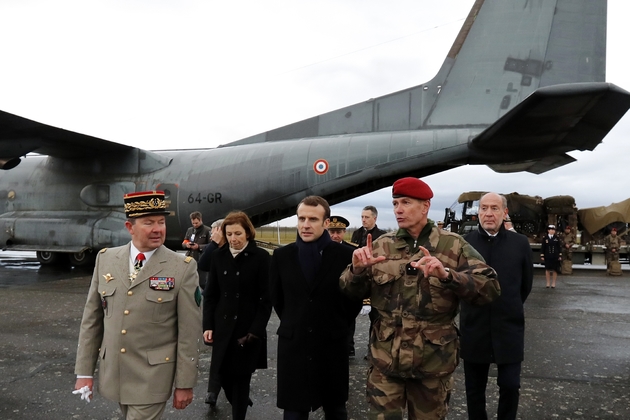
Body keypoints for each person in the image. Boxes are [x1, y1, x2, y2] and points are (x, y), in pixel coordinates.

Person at [340, 177, 500, 419]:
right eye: (395, 203)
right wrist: (357, 271)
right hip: (386, 361)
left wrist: (448, 276)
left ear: (425, 206)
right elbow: (348, 292)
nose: (398, 209)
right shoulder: (382, 246)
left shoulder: (453, 245)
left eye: (406, 202)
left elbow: (490, 288)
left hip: (432, 364)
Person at [74, 190, 201, 419]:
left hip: (152, 377)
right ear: (130, 227)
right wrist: (84, 371)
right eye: (148, 222)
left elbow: (189, 333)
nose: (157, 228)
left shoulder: (182, 268)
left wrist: (185, 383)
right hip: (116, 375)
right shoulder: (106, 259)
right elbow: (92, 320)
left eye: (161, 222)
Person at [270, 196, 362, 419]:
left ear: (326, 223)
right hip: (294, 347)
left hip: (331, 345)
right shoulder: (282, 256)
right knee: (293, 412)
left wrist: (333, 324)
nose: (305, 224)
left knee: (335, 410)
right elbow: (279, 300)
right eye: (301, 218)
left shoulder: (345, 256)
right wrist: (299, 321)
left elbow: (353, 301)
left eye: (313, 219)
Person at [462, 193, 533, 420]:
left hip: (508, 327)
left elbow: (526, 285)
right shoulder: (465, 243)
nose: (488, 213)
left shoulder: (520, 244)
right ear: (478, 212)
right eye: (484, 208)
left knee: (510, 386)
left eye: (494, 208)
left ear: (504, 213)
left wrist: (508, 306)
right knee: (474, 390)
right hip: (475, 326)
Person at [202, 211, 272, 420]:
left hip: (247, 330)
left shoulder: (261, 258)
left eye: (238, 233)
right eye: (230, 233)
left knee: (241, 379)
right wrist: (208, 325)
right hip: (222, 327)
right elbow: (211, 295)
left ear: (248, 233)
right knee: (221, 376)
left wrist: (255, 331)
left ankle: (239, 411)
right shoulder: (218, 256)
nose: (234, 238)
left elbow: (266, 299)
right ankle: (240, 401)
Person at [197, 218, 226, 407]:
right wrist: (214, 242)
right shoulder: (214, 250)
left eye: (217, 230)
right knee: (218, 354)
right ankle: (212, 391)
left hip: (236, 309)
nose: (213, 232)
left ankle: (238, 392)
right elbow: (203, 264)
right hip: (217, 309)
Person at [328, 216, 367, 360]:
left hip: (346, 292)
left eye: (338, 232)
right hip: (328, 293)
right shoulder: (321, 250)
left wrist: (365, 300)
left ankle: (348, 347)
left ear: (344, 232)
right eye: (331, 232)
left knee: (348, 322)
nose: (335, 235)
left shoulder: (352, 251)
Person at [182, 211, 212, 288]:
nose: (195, 225)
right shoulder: (190, 230)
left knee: (202, 282)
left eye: (196, 223)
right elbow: (184, 242)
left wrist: (199, 247)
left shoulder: (207, 230)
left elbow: (211, 245)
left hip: (201, 259)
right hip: (190, 258)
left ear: (200, 220)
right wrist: (186, 244)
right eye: (193, 223)